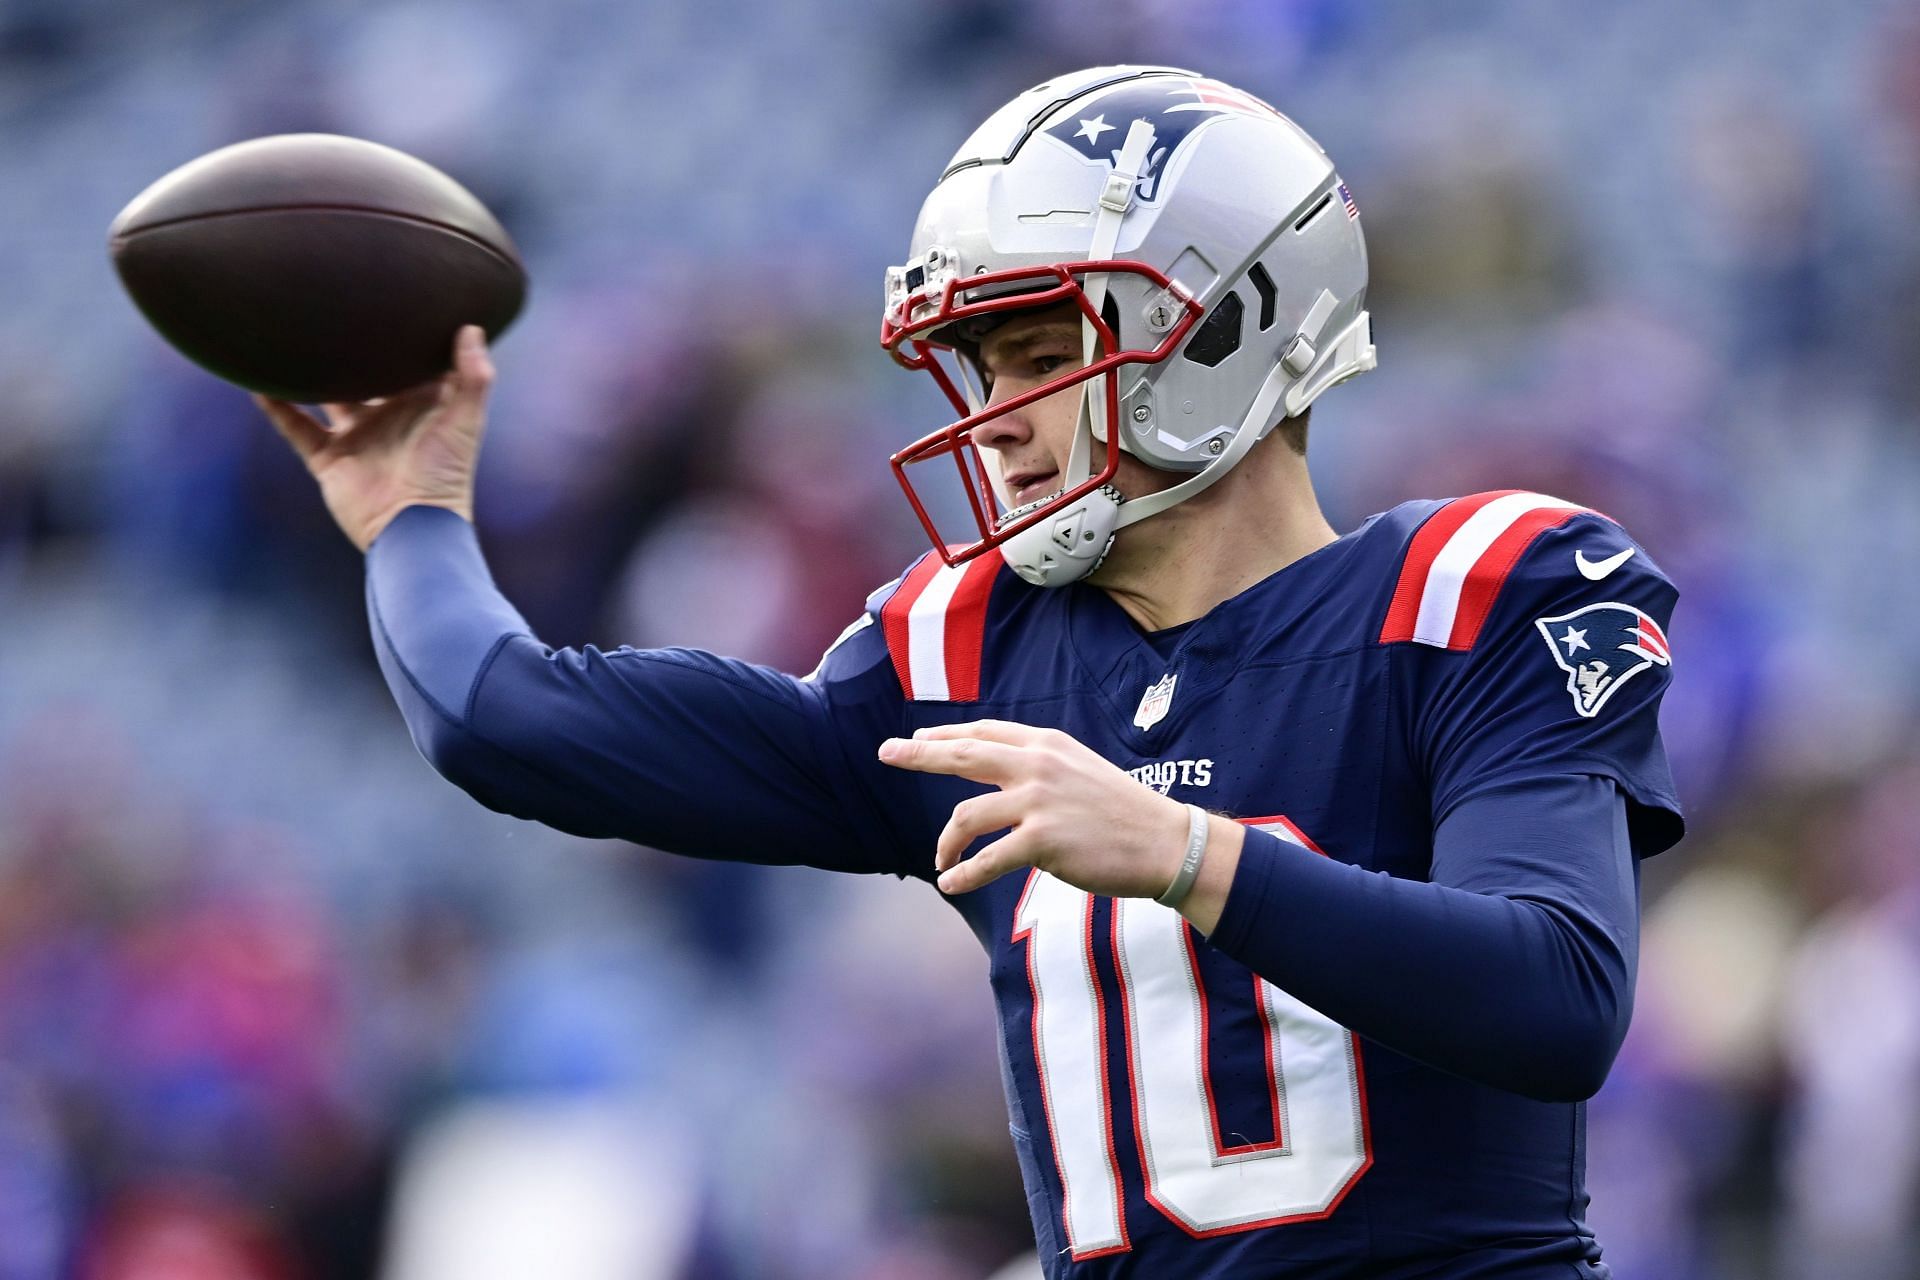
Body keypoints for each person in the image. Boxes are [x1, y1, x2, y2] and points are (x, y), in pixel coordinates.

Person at [259, 65, 1682, 1279]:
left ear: (1229, 322)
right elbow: (505, 725)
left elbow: (1556, 994)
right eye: (977, 365)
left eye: (1038, 353)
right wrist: (409, 522)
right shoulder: (971, 655)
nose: (993, 421)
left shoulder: (1475, 596)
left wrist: (1187, 854)